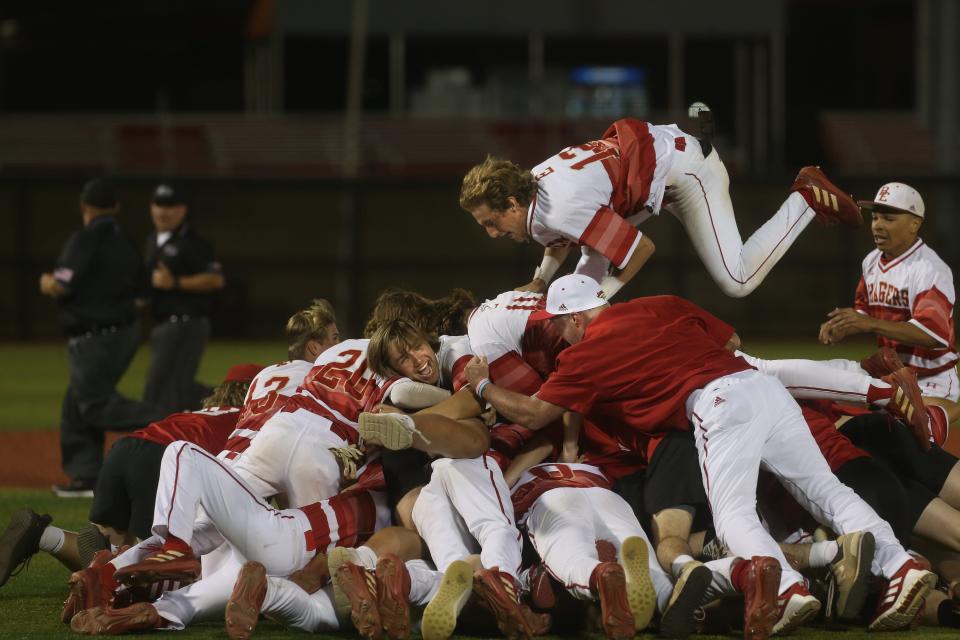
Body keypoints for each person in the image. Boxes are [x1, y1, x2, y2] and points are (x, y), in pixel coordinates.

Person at [464, 274, 936, 634]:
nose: (556, 335)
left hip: (718, 404)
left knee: (733, 517)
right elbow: (730, 342)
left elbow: (530, 413)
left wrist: (480, 383)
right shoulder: (659, 303)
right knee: (826, 492)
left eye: (557, 324)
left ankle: (785, 588)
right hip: (764, 389)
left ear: (574, 318)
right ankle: (901, 564)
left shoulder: (582, 356)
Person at [459, 118, 862, 299]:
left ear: (512, 202)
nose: (492, 233)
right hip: (657, 165)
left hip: (686, 172)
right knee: (589, 261)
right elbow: (560, 237)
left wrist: (600, 299)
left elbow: (640, 249)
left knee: (738, 281)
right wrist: (542, 280)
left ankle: (806, 197)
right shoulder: (533, 187)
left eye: (491, 222)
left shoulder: (557, 207)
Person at [0, 364, 260, 586]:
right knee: (167, 574)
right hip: (162, 459)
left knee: (115, 548)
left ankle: (43, 535)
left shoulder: (197, 413)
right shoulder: (247, 424)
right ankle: (106, 578)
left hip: (125, 449)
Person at [40, 178, 167, 497]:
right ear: (116, 207)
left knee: (93, 403)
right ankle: (85, 476)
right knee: (77, 401)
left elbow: (61, 286)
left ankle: (170, 420)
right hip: (125, 333)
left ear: (84, 207)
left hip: (95, 338)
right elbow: (142, 297)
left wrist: (45, 282)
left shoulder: (83, 240)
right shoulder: (126, 241)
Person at [819, 182, 958, 401]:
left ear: (914, 224)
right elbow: (865, 310)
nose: (877, 225)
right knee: (821, 388)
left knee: (902, 429)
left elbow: (934, 335)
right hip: (889, 372)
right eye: (875, 217)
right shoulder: (872, 261)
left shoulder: (930, 270)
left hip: (932, 379)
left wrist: (870, 324)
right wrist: (846, 325)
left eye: (889, 219)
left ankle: (946, 409)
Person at [142, 182, 225, 414]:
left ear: (182, 210)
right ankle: (229, 400)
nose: (163, 211)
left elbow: (215, 280)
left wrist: (176, 282)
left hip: (186, 323)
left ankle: (230, 401)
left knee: (158, 392)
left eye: (170, 206)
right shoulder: (152, 241)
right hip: (163, 325)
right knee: (175, 391)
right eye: (159, 205)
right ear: (151, 207)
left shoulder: (194, 243)